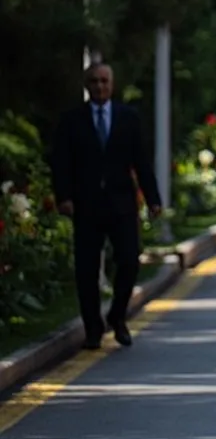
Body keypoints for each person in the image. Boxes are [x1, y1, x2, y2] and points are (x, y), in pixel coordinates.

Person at [52, 63, 162, 350]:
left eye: (104, 81)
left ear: (112, 85)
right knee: (86, 270)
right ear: (86, 86)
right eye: (93, 81)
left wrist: (153, 199)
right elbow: (61, 162)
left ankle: (118, 315)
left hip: (121, 203)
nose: (99, 86)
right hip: (86, 206)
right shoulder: (72, 120)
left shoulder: (128, 118)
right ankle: (92, 328)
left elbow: (141, 160)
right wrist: (63, 196)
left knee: (129, 259)